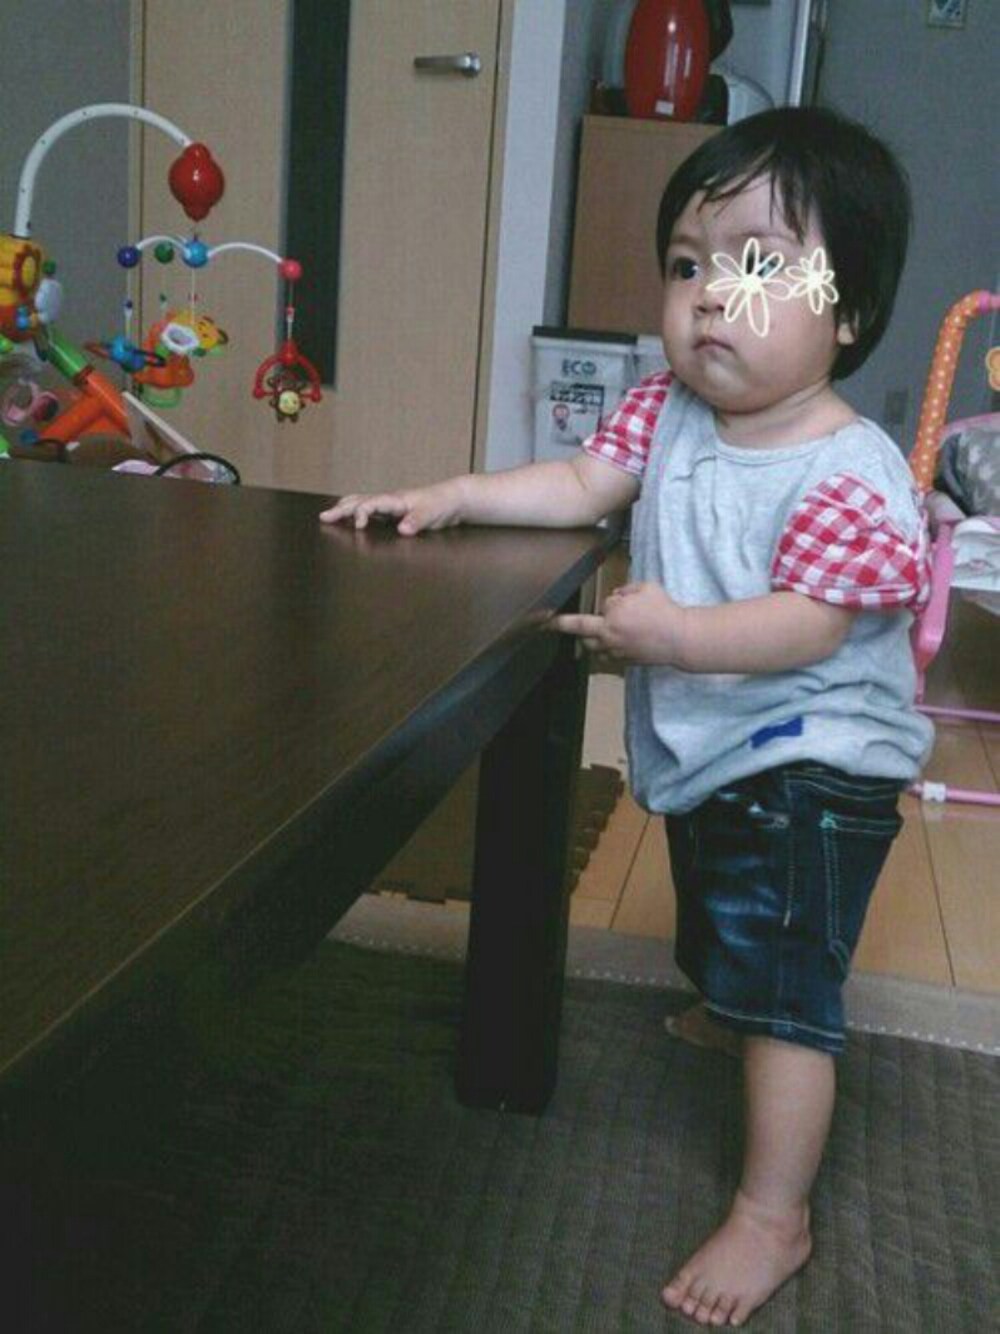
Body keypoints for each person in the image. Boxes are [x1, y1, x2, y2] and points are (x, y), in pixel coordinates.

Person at [320, 106, 931, 1328]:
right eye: (688, 264)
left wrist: (679, 636)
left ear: (849, 311)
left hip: (818, 762)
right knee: (714, 893)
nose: (710, 297)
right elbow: (575, 482)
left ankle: (773, 1209)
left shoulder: (848, 468)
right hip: (720, 748)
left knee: (788, 989)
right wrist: (456, 493)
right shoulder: (665, 410)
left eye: (759, 266)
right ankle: (727, 994)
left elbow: (810, 624)